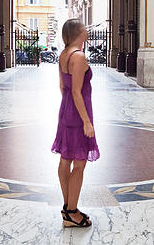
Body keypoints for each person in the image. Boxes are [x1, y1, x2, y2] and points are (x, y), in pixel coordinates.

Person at [51, 18, 99, 229]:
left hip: (66, 109)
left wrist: (68, 109)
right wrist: (86, 121)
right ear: (79, 33)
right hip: (79, 114)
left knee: (66, 158)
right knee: (79, 163)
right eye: (84, 28)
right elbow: (78, 92)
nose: (87, 30)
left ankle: (69, 206)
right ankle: (71, 211)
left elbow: (63, 87)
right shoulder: (78, 56)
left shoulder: (64, 54)